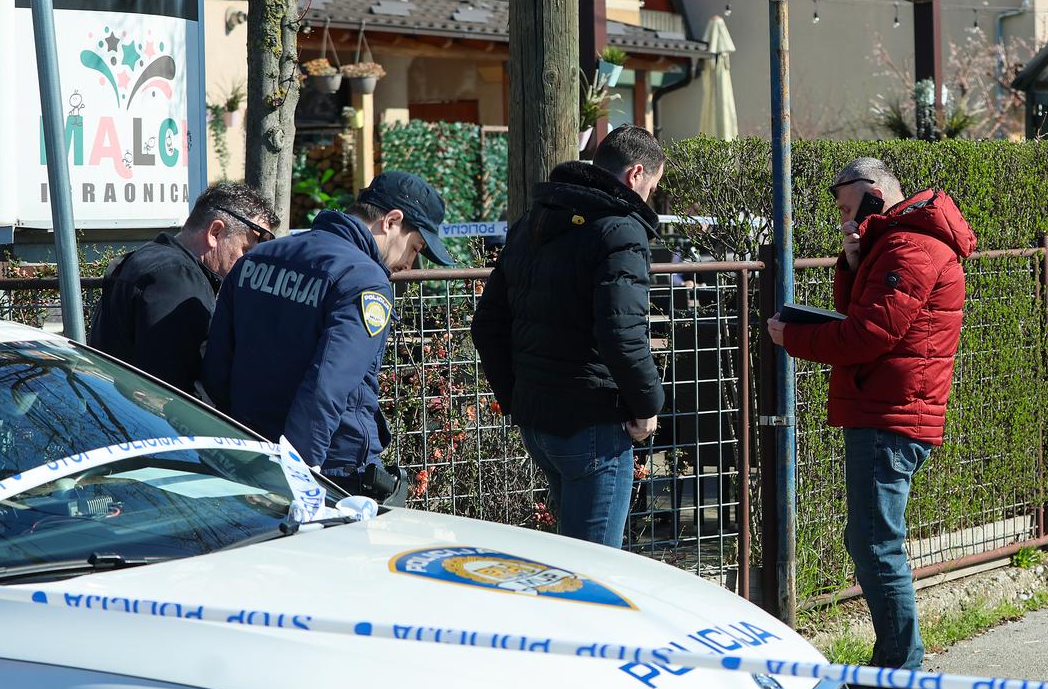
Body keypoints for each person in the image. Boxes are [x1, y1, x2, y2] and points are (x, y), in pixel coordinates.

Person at [767, 157, 975, 689]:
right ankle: (893, 669)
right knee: (872, 539)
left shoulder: (912, 248)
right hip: (887, 408)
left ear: (874, 194)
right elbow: (860, 313)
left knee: (876, 543)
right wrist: (854, 260)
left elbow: (867, 335)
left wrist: (791, 338)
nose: (841, 218)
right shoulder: (895, 244)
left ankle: (904, 676)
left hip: (891, 413)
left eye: (845, 206)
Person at [470, 124, 666, 548]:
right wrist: (648, 405)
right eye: (652, 185)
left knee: (570, 562)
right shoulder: (621, 231)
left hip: (539, 420)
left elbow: (487, 325)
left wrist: (517, 398)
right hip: (593, 422)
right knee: (593, 576)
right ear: (635, 175)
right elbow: (622, 333)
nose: (649, 196)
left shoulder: (531, 221)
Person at [202, 170, 451, 504]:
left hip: (250, 453)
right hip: (328, 470)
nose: (410, 263)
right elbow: (327, 386)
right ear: (392, 221)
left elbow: (218, 366)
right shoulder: (364, 280)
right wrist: (300, 477)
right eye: (415, 246)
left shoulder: (257, 259)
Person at [88, 182, 277, 398]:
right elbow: (173, 388)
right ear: (215, 232)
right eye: (245, 249)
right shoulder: (179, 279)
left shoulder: (148, 258)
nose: (246, 262)